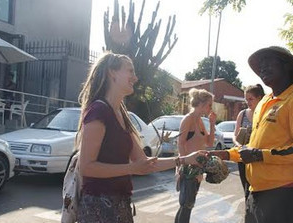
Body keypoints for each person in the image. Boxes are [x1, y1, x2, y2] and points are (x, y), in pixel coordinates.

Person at [76, 52, 206, 223]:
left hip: (120, 205)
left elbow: (144, 164)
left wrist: (185, 160)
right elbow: (86, 167)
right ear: (112, 72)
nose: (135, 78)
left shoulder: (121, 114)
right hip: (98, 207)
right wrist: (131, 168)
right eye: (130, 71)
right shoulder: (98, 111)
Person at [209, 46, 293, 223]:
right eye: (260, 65)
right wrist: (227, 154)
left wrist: (259, 155)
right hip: (255, 192)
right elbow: (253, 146)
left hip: (283, 194)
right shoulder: (264, 101)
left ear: (286, 66)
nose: (262, 68)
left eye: (268, 62)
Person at [174, 88, 217, 223]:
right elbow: (180, 144)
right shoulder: (188, 119)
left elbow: (209, 143)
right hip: (188, 169)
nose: (211, 107)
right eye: (210, 104)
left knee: (188, 205)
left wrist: (212, 123)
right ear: (202, 104)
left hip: (197, 168)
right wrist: (186, 165)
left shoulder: (200, 121)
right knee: (186, 205)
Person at [233, 84, 265, 200]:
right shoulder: (242, 114)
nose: (248, 102)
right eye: (246, 99)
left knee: (258, 191)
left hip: (258, 157)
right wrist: (240, 146)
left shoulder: (265, 114)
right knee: (246, 190)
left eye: (251, 99)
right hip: (243, 156)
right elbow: (235, 136)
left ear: (260, 98)